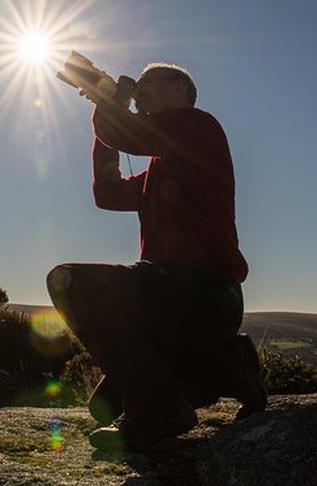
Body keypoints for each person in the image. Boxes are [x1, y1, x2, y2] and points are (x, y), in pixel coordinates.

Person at [46, 63, 267, 451]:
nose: (140, 91)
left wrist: (108, 102)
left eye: (148, 83)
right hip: (179, 303)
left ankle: (163, 409)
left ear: (179, 89)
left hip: (201, 290)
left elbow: (123, 130)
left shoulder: (199, 125)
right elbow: (108, 194)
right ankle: (227, 365)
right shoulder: (161, 167)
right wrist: (108, 113)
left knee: (69, 282)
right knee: (103, 406)